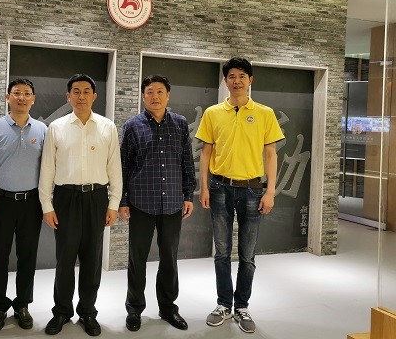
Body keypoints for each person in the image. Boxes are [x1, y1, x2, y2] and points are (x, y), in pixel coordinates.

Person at [195, 57, 284, 334]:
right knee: (221, 252)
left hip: (253, 189)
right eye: (232, 76)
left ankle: (242, 306)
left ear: (250, 80)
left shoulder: (264, 113)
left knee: (247, 254)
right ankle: (223, 304)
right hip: (220, 187)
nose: (237, 81)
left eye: (242, 76)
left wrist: (270, 191)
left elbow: (271, 154)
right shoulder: (213, 113)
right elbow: (206, 153)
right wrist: (204, 187)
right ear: (225, 81)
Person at [38, 74, 122, 337]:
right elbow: (47, 168)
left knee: (92, 259)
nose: (81, 96)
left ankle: (87, 312)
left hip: (97, 198)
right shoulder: (56, 128)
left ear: (94, 96)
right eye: (76, 91)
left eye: (86, 91)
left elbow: (115, 167)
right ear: (68, 96)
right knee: (65, 259)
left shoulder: (107, 127)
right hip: (66, 198)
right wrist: (47, 205)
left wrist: (113, 203)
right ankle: (62, 311)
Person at [118, 75, 196, 332]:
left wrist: (188, 195)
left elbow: (186, 161)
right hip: (141, 202)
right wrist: (123, 200)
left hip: (172, 202)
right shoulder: (132, 126)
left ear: (168, 95)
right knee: (137, 258)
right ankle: (134, 309)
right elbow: (124, 166)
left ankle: (168, 307)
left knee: (169, 258)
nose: (155, 96)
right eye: (150, 92)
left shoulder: (180, 124)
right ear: (143, 96)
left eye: (160, 91)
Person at [0, 78, 47, 332]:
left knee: (28, 256)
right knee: (0, 256)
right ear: (8, 97)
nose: (21, 98)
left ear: (33, 99)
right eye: (16, 93)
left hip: (32, 203)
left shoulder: (42, 129)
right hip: (1, 201)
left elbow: (48, 168)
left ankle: (22, 305)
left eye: (27, 93)